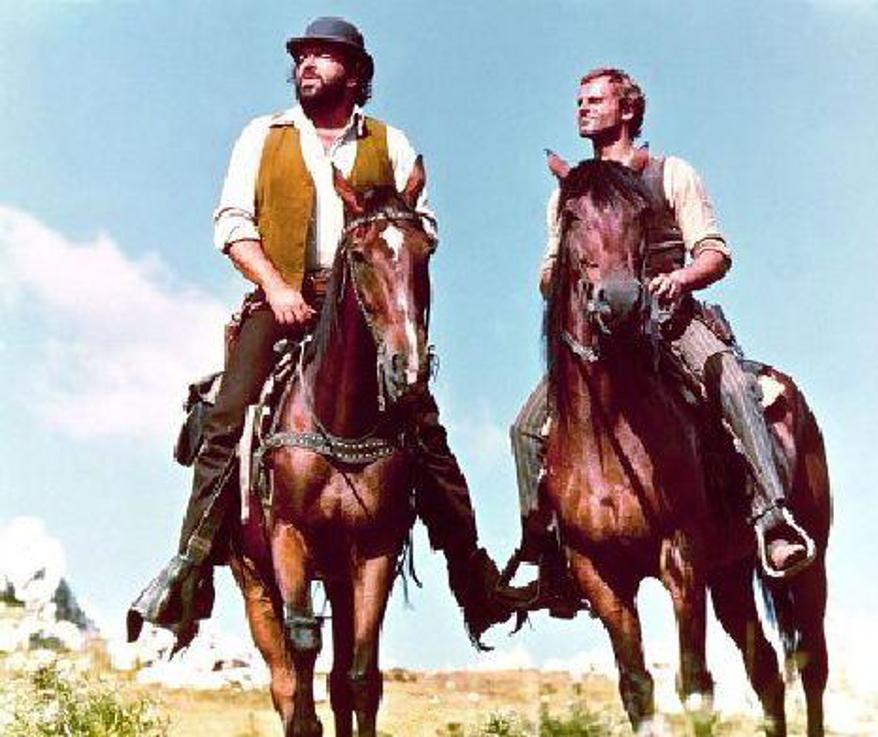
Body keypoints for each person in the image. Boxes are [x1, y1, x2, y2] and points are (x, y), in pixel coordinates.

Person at [129, 16, 512, 648]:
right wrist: (277, 288)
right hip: (280, 297)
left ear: (356, 75)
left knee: (426, 430)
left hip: (365, 301)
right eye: (303, 55)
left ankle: (475, 579)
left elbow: (423, 230)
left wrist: (389, 248)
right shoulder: (264, 135)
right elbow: (232, 223)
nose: (307, 64)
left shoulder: (391, 142)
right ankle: (188, 571)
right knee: (225, 419)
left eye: (324, 56)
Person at [510, 67, 814, 598]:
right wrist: (573, 284)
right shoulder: (569, 194)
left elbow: (715, 253)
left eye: (595, 100)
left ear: (627, 109)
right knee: (526, 430)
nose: (582, 108)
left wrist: (679, 279)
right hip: (600, 334)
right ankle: (550, 552)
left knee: (734, 384)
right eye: (579, 101)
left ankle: (772, 517)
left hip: (672, 321)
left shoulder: (672, 173)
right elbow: (547, 272)